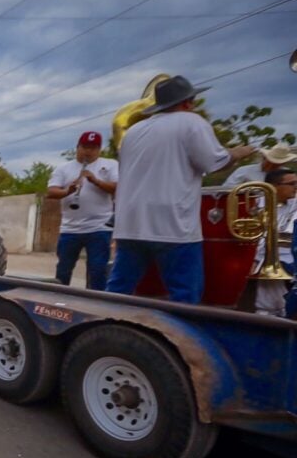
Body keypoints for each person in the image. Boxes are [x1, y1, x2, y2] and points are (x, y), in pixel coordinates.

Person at [106, 76, 255, 303]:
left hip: (130, 224)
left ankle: (105, 332)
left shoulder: (133, 132)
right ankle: (178, 337)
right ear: (187, 102)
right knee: (185, 296)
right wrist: (238, 153)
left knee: (118, 290)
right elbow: (215, 163)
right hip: (173, 225)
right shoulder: (191, 122)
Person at [46, 131, 118, 290]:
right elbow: (51, 192)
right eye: (84, 147)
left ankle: (94, 304)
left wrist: (95, 181)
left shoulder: (110, 164)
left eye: (93, 148)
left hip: (99, 227)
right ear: (77, 147)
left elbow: (118, 187)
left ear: (99, 149)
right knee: (63, 269)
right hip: (70, 229)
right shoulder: (64, 168)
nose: (88, 151)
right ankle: (59, 300)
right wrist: (68, 191)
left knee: (97, 270)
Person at [251, 168, 296, 316]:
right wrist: (256, 260)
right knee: (269, 271)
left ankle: (274, 312)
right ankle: (274, 313)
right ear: (274, 187)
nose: (296, 187)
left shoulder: (294, 203)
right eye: (292, 183)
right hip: (264, 256)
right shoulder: (255, 205)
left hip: (289, 255)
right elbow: (255, 238)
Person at [222, 145, 297, 187]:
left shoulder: (288, 175)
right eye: (271, 161)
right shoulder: (243, 171)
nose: (274, 165)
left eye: (278, 163)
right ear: (264, 158)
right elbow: (226, 189)